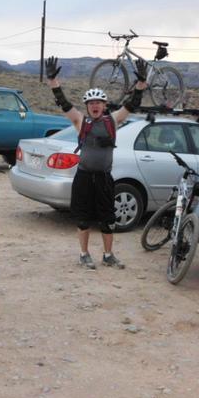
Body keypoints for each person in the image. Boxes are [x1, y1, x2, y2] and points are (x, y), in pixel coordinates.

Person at [45, 56, 148, 269]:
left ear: (104, 105)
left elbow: (132, 104)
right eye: (91, 103)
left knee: (108, 219)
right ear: (87, 106)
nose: (94, 106)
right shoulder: (80, 121)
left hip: (104, 178)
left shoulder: (113, 121)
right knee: (83, 219)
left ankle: (108, 255)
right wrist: (53, 81)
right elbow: (64, 103)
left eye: (98, 103)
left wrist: (140, 84)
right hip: (83, 177)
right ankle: (84, 254)